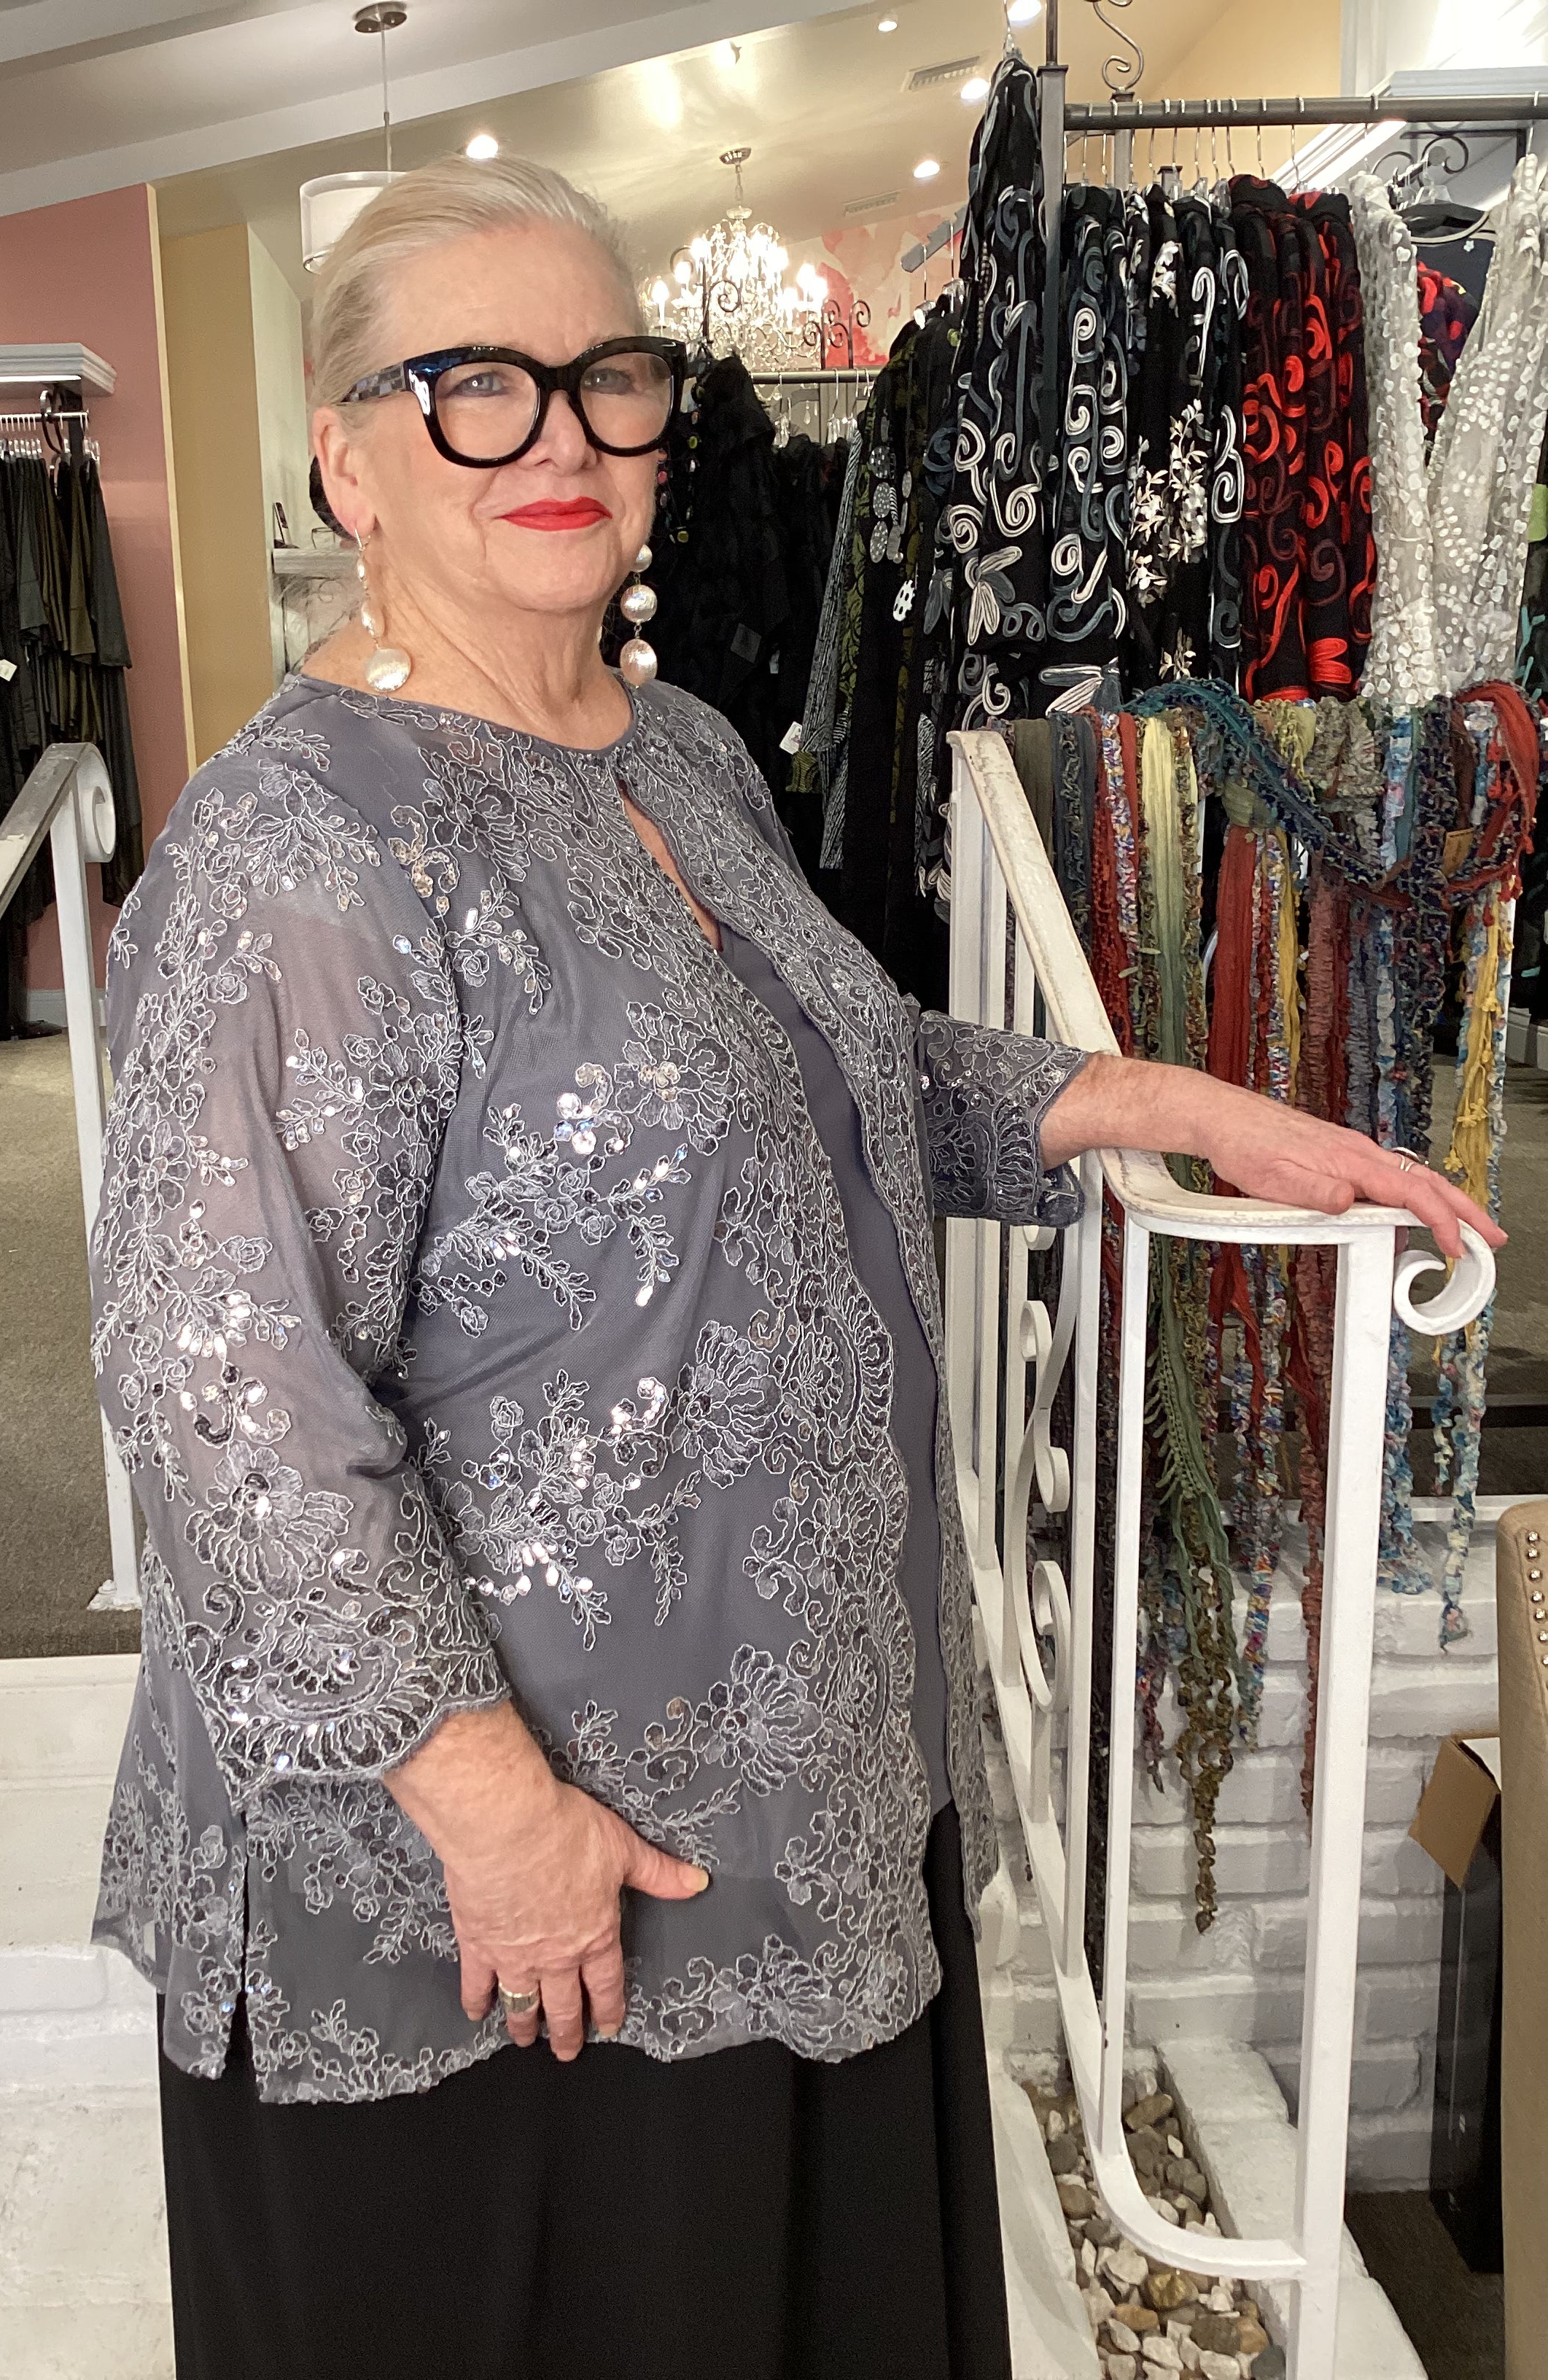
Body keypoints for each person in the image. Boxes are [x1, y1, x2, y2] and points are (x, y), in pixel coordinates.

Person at [87, 156, 1501, 2380]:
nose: (559, 436)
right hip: (527, 1900)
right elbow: (223, 1397)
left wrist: (1165, 1104)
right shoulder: (301, 848)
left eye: (606, 375)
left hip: (797, 1794)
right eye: (474, 386)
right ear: (349, 458)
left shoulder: (676, 751)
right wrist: (489, 1807)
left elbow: (835, 1078)